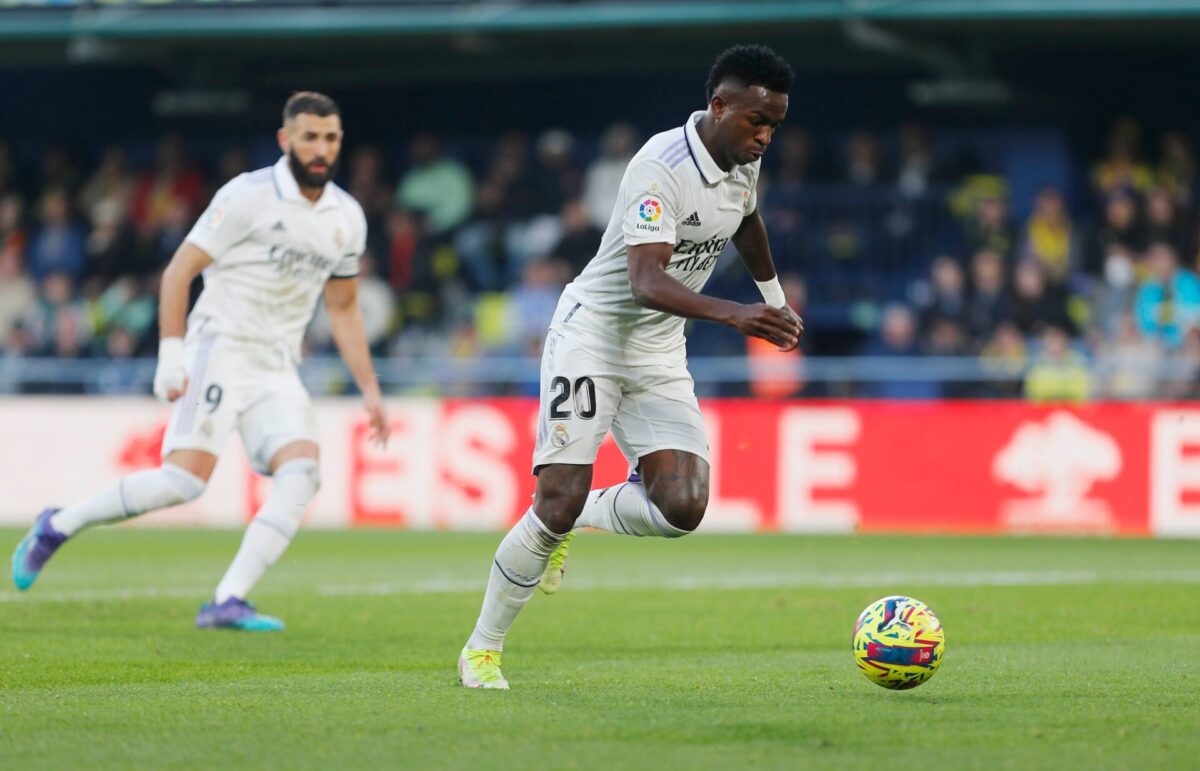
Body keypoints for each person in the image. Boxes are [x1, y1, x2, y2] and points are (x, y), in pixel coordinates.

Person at [457, 45, 801, 689]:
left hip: (658, 348)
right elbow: (645, 281)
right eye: (758, 121)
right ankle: (481, 649)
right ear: (718, 105)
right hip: (594, 335)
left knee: (683, 507)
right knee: (553, 500)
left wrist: (775, 303)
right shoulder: (659, 166)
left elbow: (748, 223)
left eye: (775, 125)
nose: (765, 136)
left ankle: (579, 520)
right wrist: (736, 314)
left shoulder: (742, 163)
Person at [11, 92, 390, 631]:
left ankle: (227, 600)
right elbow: (177, 272)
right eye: (309, 136)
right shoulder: (247, 195)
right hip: (220, 348)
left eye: (330, 137)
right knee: (184, 483)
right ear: (285, 140)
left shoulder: (346, 217)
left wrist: (369, 389)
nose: (321, 147)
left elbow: (344, 306)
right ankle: (59, 524)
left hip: (277, 365)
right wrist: (170, 352)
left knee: (303, 474)